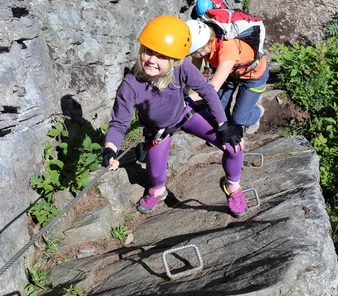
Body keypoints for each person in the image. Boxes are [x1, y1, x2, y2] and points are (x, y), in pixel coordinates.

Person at [102, 15, 247, 217]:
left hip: (186, 114)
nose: (152, 60)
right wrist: (110, 149)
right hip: (158, 130)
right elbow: (119, 123)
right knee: (156, 176)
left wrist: (224, 125)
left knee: (234, 146)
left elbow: (206, 90)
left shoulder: (181, 67)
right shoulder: (130, 85)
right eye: (149, 51)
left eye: (162, 56)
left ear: (174, 59)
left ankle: (232, 186)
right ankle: (159, 191)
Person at [186, 19, 269, 134]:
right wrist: (183, 91)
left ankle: (258, 112)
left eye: (191, 53)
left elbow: (211, 89)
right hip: (232, 72)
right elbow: (192, 72)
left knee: (239, 118)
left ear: (200, 48)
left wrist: (184, 99)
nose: (190, 56)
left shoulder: (227, 49)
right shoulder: (203, 42)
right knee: (218, 109)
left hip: (254, 75)